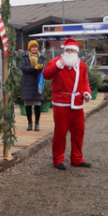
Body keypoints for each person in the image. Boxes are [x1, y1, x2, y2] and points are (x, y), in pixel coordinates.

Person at [42, 38, 92, 170]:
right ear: (64, 51)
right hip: (61, 104)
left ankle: (77, 159)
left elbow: (85, 82)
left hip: (77, 103)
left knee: (79, 132)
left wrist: (87, 93)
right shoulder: (56, 62)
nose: (70, 52)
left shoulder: (81, 65)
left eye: (72, 50)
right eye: (68, 50)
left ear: (76, 52)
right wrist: (58, 65)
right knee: (60, 132)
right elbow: (46, 75)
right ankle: (57, 160)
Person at [20, 40, 45, 131]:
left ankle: (37, 123)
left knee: (38, 104)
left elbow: (44, 68)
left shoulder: (41, 57)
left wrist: (41, 68)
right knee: (28, 105)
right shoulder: (24, 57)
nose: (34, 48)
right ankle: (29, 123)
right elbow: (23, 68)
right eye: (32, 47)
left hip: (37, 83)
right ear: (29, 48)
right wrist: (34, 67)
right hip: (27, 83)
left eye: (35, 47)